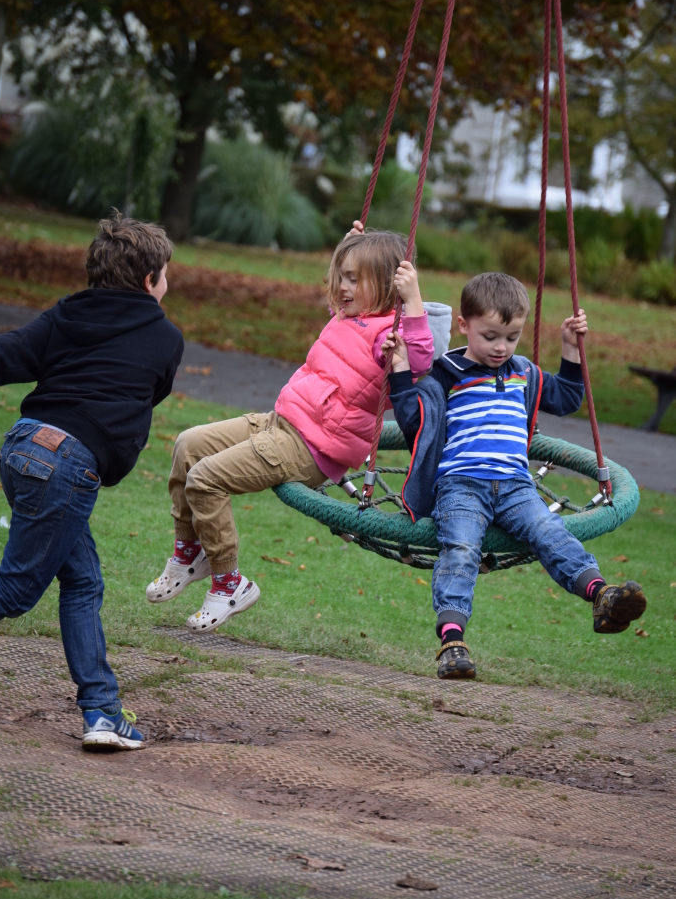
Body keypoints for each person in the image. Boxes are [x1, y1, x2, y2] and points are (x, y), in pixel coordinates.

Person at [147, 227, 447, 634]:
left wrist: (412, 301)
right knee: (187, 446)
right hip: (278, 422)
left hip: (310, 447)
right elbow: (337, 284)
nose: (343, 286)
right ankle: (189, 553)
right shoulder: (347, 317)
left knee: (205, 480)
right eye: (342, 275)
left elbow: (421, 358)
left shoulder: (386, 336)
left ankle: (229, 583)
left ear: (386, 284)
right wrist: (345, 247)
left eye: (355, 279)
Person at [388, 271, 647, 680]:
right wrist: (400, 370)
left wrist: (569, 348)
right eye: (490, 336)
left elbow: (566, 398)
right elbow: (410, 418)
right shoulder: (446, 372)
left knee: (550, 530)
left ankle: (602, 596)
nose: (501, 347)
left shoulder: (523, 371)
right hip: (461, 485)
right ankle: (452, 640)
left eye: (511, 337)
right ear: (464, 325)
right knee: (460, 548)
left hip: (515, 486)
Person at [0, 215, 183, 746]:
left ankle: (101, 712)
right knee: (14, 590)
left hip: (22, 448)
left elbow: (6, 356)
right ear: (150, 281)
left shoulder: (65, 315)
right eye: (166, 274)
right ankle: (100, 712)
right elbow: (145, 396)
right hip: (69, 468)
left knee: (82, 581)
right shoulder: (164, 338)